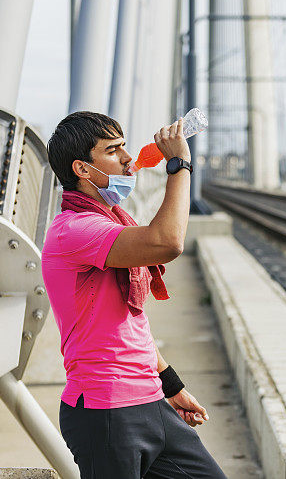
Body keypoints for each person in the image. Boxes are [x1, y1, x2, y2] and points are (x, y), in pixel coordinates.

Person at [42, 111, 226, 478]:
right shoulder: (75, 232)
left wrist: (170, 386)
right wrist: (178, 166)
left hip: (150, 401)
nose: (128, 158)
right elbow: (167, 242)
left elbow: (130, 323)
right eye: (113, 150)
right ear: (82, 168)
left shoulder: (113, 222)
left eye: (125, 146)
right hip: (104, 411)